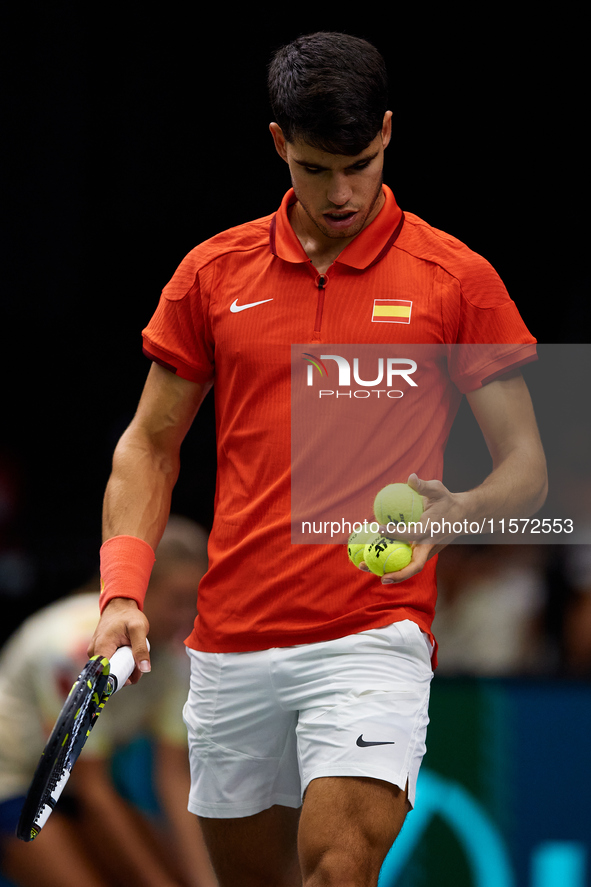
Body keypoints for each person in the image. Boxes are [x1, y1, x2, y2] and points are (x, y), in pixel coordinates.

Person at [88, 32, 547, 887]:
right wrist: (122, 590)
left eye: (360, 164)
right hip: (231, 645)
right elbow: (149, 444)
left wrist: (456, 512)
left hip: (374, 633)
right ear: (277, 146)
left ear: (385, 133)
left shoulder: (456, 278)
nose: (341, 194)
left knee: (339, 868)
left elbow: (525, 466)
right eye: (314, 168)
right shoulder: (210, 275)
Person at [0, 516, 218, 887]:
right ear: (142, 591)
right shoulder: (69, 651)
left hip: (82, 790)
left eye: (195, 602)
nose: (188, 617)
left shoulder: (173, 653)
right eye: (178, 601)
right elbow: (93, 789)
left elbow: (173, 777)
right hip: (12, 787)